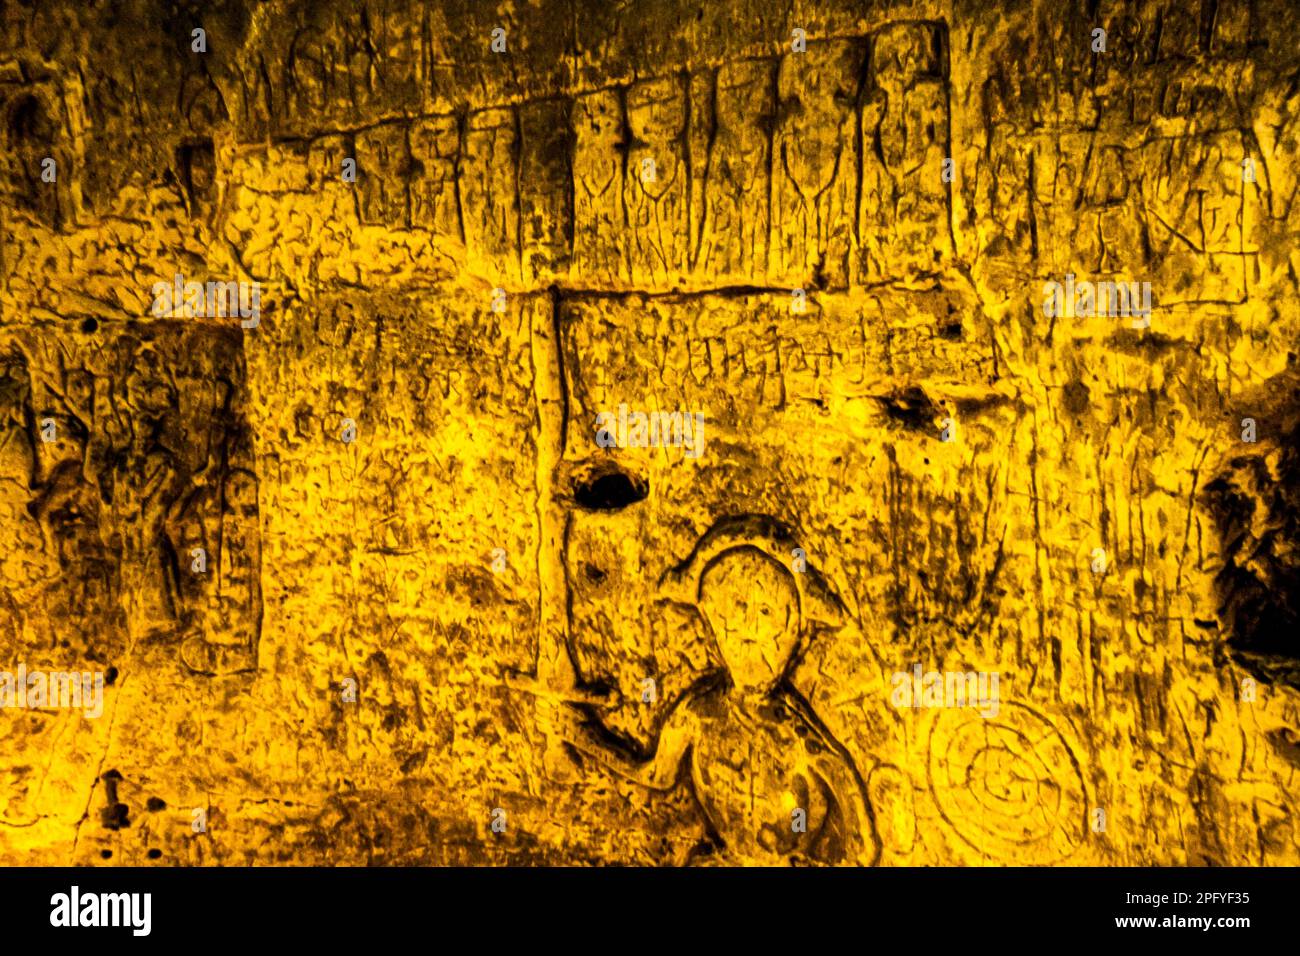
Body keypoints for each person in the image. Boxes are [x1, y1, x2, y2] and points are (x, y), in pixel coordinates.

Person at [542, 544, 879, 866]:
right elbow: (658, 775)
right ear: (713, 624)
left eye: (766, 612)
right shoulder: (699, 711)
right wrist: (583, 737)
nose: (751, 629)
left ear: (796, 631)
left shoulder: (799, 734)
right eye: (737, 610)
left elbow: (863, 843)